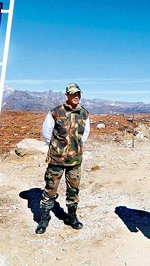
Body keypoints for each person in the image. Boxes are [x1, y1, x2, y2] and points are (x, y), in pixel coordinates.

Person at [35, 82, 90, 234]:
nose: (76, 96)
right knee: (50, 188)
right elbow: (46, 133)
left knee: (73, 190)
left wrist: (74, 147)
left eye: (78, 94)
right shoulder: (55, 112)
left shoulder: (84, 114)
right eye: (73, 94)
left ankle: (72, 216)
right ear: (67, 95)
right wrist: (57, 148)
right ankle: (44, 218)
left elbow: (84, 135)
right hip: (56, 159)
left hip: (75, 160)